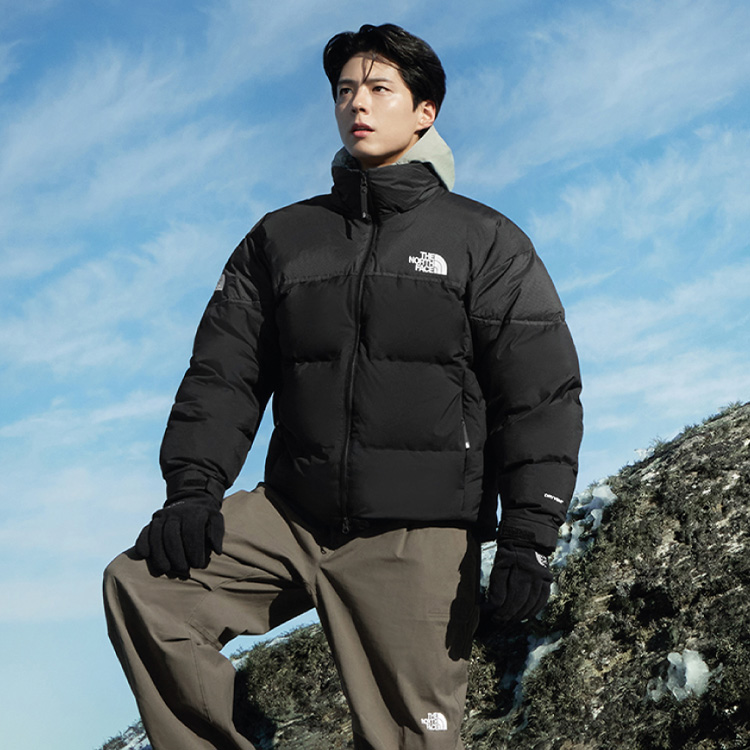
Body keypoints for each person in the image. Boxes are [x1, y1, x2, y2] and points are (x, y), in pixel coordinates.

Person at [103, 23, 583, 750]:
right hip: (292, 515)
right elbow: (225, 373)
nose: (357, 103)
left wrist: (530, 535)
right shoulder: (283, 238)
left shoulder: (484, 241)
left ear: (424, 111)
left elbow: (540, 395)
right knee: (145, 587)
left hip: (416, 533)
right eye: (344, 90)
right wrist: (192, 490)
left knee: (409, 739)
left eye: (380, 88)